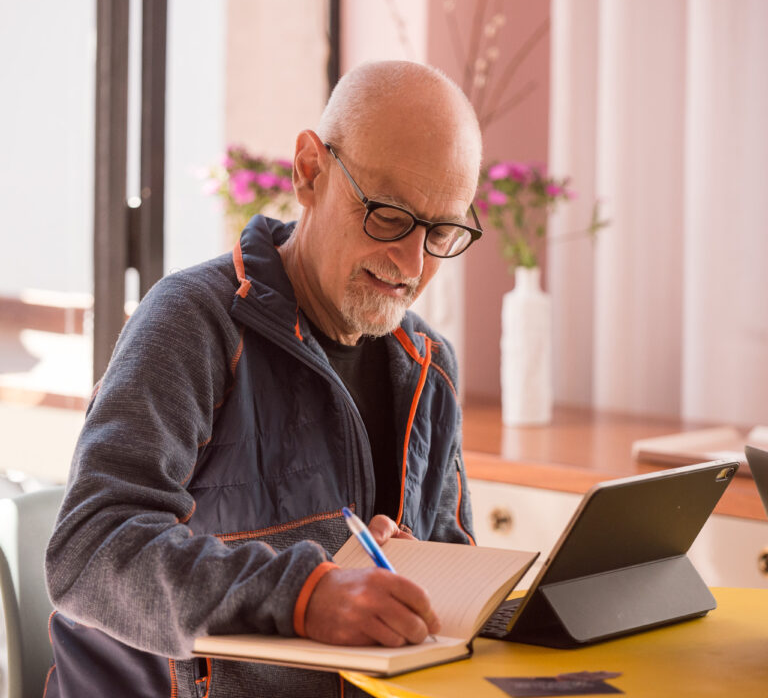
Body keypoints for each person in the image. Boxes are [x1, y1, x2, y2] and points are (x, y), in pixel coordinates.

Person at [44, 60, 484, 698]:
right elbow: (89, 552)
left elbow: (458, 580)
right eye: (388, 216)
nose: (412, 263)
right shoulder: (193, 322)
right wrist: (308, 594)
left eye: (441, 231)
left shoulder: (426, 364)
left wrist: (416, 575)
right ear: (309, 171)